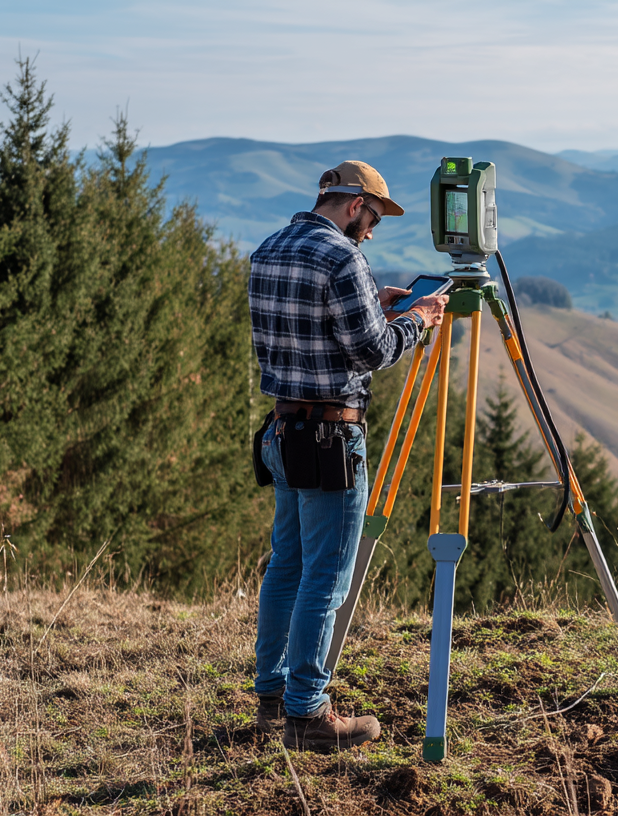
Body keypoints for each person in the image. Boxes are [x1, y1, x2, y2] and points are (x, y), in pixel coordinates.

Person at [247, 160, 448, 752]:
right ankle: (308, 714)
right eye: (375, 218)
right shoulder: (340, 258)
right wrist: (417, 318)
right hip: (331, 439)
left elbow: (306, 331)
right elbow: (373, 350)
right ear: (356, 204)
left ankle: (273, 697)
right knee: (327, 577)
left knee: (286, 566)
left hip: (282, 430)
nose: (373, 231)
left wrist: (372, 302)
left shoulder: (269, 248)